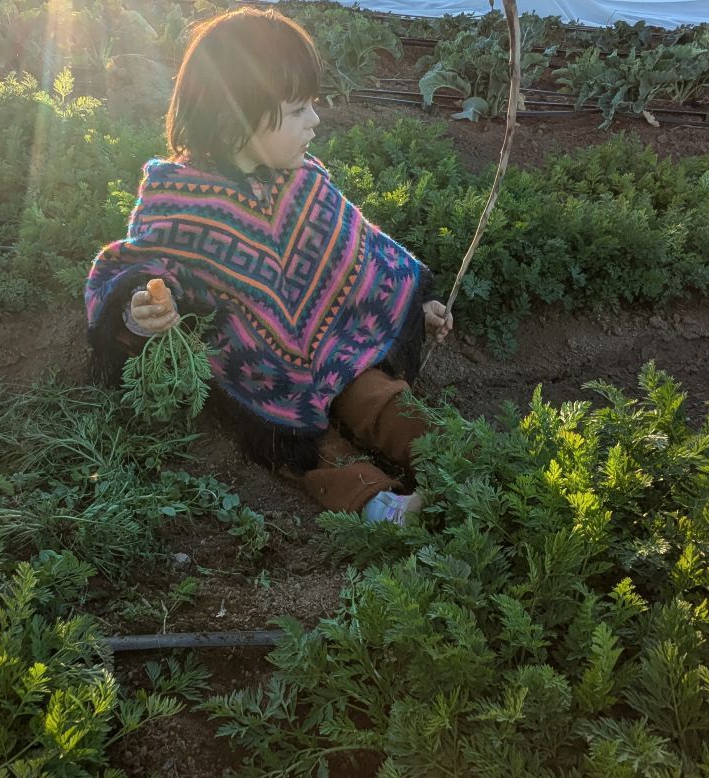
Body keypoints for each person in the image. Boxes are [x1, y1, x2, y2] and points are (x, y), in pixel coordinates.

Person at [84, 7, 453, 526]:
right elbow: (140, 270)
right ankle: (376, 500)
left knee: (380, 396)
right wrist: (141, 310)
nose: (315, 120)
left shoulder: (306, 183)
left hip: (335, 348)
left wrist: (418, 305)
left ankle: (452, 459)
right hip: (254, 373)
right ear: (236, 116)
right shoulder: (178, 200)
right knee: (296, 442)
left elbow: (365, 255)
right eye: (298, 108)